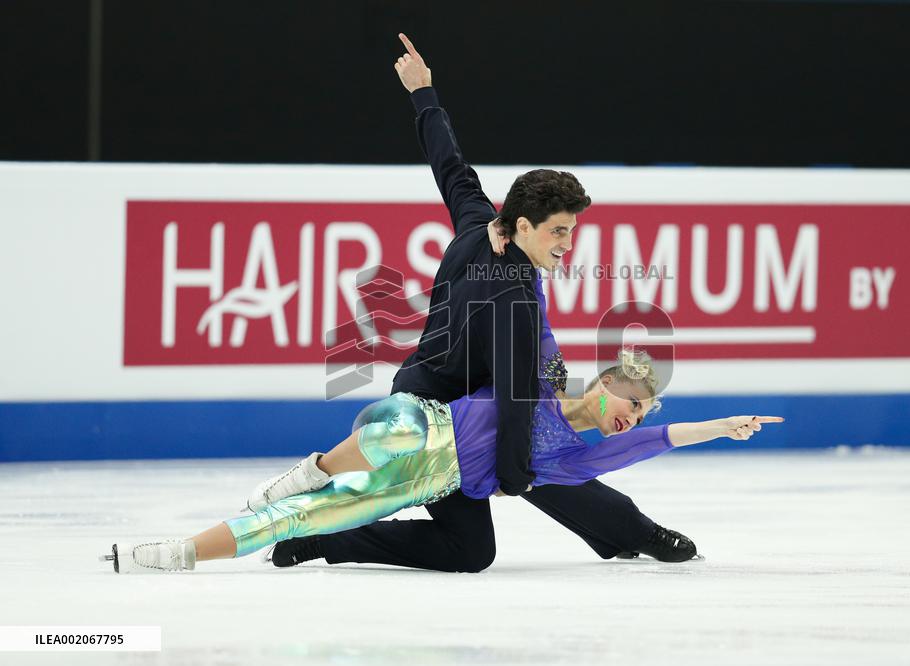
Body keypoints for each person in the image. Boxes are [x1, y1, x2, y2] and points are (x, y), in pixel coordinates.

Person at [267, 33, 704, 572]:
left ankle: (630, 530)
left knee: (490, 519)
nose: (569, 245)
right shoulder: (514, 296)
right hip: (433, 417)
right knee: (518, 483)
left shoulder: (481, 224)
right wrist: (515, 474)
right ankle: (324, 532)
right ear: (524, 225)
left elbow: (451, 167)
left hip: (453, 396)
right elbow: (519, 399)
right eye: (560, 232)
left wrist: (423, 94)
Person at [106, 347, 782, 572]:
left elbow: (663, 440)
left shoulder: (573, 462)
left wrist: (725, 426)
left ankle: (176, 553)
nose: (632, 418)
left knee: (292, 521)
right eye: (630, 401)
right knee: (391, 428)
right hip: (413, 423)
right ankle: (318, 465)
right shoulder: (538, 377)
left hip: (424, 482)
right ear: (605, 383)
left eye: (639, 413)